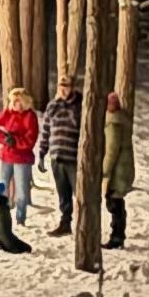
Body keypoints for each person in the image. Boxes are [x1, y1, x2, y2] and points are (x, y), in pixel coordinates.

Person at [0, 88, 39, 252]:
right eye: (14, 101)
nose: (16, 104)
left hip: (22, 157)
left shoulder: (30, 116)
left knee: (22, 190)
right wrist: (5, 140)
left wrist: (15, 141)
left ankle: (20, 218)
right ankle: (4, 216)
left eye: (19, 101)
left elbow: (31, 139)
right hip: (7, 155)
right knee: (3, 187)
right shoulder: (7, 113)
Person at [40, 80, 82, 234]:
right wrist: (42, 152)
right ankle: (65, 223)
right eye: (61, 87)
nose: (63, 90)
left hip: (73, 156)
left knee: (79, 192)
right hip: (56, 156)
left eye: (66, 87)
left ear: (72, 87)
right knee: (63, 193)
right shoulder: (52, 106)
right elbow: (46, 129)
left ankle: (83, 223)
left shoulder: (79, 105)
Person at [102, 90, 135, 246]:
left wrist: (105, 171)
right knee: (117, 203)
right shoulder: (122, 120)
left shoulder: (114, 124)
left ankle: (117, 237)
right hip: (124, 168)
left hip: (118, 171)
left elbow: (111, 150)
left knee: (114, 203)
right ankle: (118, 235)